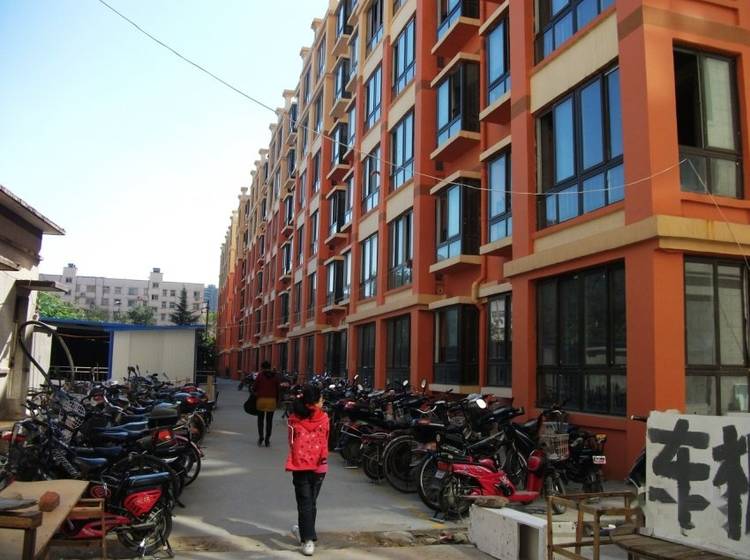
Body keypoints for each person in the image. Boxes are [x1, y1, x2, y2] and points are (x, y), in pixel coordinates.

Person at [285, 384, 329, 557]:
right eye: (321, 400)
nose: (323, 402)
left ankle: (306, 537)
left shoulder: (294, 418)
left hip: (300, 465)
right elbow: (327, 440)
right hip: (320, 465)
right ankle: (308, 537)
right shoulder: (324, 418)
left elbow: (291, 441)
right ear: (315, 402)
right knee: (310, 503)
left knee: (306, 503)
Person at [252, 361, 281, 447]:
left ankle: (261, 437)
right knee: (269, 421)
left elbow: (254, 387)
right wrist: (278, 401)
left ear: (262, 367)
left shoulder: (260, 375)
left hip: (261, 400)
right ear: (270, 367)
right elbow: (278, 389)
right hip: (272, 401)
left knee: (260, 420)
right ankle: (267, 439)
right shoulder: (275, 376)